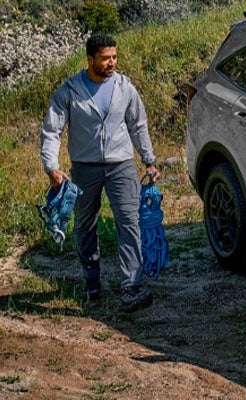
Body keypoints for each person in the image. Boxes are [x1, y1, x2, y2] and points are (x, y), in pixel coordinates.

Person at [40, 33, 161, 313]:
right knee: (84, 224)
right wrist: (52, 167)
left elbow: (138, 125)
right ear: (91, 59)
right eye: (106, 58)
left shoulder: (124, 87)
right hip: (84, 168)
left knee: (129, 222)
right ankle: (91, 281)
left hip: (121, 165)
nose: (111, 63)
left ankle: (131, 286)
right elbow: (52, 130)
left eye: (114, 57)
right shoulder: (70, 90)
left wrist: (149, 160)